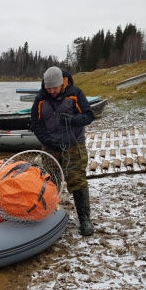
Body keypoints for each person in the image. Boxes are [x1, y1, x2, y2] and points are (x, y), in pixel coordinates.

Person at [30, 66, 94, 236]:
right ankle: (50, 217)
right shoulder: (41, 98)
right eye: (48, 88)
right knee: (50, 182)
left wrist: (73, 120)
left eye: (54, 88)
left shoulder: (75, 94)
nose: (51, 91)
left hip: (73, 145)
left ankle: (85, 220)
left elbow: (88, 116)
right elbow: (35, 123)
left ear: (62, 84)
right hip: (51, 146)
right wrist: (46, 140)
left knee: (77, 181)